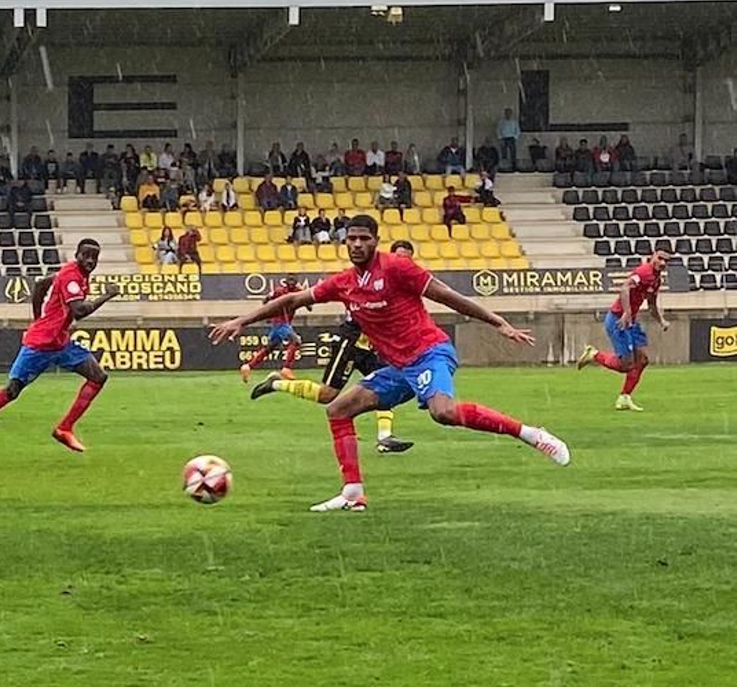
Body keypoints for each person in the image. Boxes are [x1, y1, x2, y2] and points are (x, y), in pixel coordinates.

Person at [209, 215, 570, 512]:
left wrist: (499, 323)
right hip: (398, 367)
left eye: (364, 238)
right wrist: (242, 320)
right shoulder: (344, 283)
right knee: (337, 409)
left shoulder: (398, 269)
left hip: (429, 352)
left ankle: (532, 435)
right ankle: (353, 492)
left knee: (442, 413)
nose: (356, 244)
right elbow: (293, 299)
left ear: (376, 240)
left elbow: (449, 296)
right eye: (351, 238)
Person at [0, 240, 120, 467]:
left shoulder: (73, 273)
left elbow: (41, 284)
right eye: (85, 256)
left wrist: (37, 317)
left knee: (98, 376)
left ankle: (64, 428)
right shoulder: (71, 277)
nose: (90, 261)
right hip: (40, 345)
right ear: (76, 254)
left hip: (60, 343)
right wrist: (106, 296)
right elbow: (79, 311)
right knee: (11, 391)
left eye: (94, 257)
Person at [249, 241, 420, 454]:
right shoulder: (374, 277)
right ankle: (276, 384)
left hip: (372, 344)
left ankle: (385, 438)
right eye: (399, 257)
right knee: (327, 395)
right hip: (351, 339)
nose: (403, 262)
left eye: (407, 258)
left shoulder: (402, 284)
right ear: (390, 257)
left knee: (386, 386)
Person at [576, 249, 670, 412]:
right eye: (660, 258)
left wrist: (661, 320)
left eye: (666, 261)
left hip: (631, 321)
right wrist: (626, 312)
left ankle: (624, 398)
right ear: (652, 257)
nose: (662, 263)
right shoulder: (643, 272)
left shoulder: (656, 280)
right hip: (618, 320)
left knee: (642, 360)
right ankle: (595, 355)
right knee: (626, 365)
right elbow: (625, 287)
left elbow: (652, 304)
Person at [237, 276, 306, 383]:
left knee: (269, 348)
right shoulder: (280, 291)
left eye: (293, 282)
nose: (291, 284)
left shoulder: (297, 292)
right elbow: (266, 299)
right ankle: (286, 368)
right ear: (286, 283)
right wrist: (273, 309)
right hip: (281, 323)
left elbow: (309, 306)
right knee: (295, 341)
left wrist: (302, 294)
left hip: (279, 324)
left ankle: (248, 366)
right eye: (290, 281)